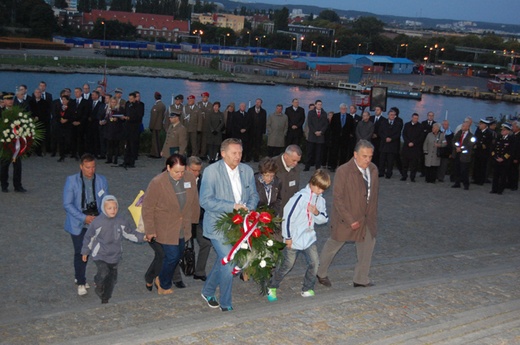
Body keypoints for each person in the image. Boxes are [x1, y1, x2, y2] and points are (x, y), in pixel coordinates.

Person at [199, 138, 259, 311]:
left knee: (224, 259)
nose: (238, 156)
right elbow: (205, 201)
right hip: (218, 226)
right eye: (234, 153)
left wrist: (249, 208)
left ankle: (208, 290)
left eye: (240, 152)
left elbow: (254, 194)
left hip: (240, 226)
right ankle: (226, 304)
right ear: (223, 153)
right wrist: (232, 207)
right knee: (229, 261)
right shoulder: (211, 172)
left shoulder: (246, 170)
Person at [317, 140, 380, 288]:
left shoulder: (373, 169)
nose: (368, 160)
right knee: (334, 244)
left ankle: (361, 279)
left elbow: (374, 195)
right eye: (364, 156)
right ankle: (320, 272)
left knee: (367, 247)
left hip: (367, 218)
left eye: (370, 156)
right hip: (346, 219)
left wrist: (372, 216)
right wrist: (350, 219)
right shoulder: (343, 171)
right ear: (355, 155)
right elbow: (337, 198)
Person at [267, 170, 330, 302]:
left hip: (308, 238)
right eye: (318, 187)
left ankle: (307, 288)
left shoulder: (320, 200)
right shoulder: (300, 197)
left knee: (314, 263)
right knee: (287, 265)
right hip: (294, 238)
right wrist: (287, 237)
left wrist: (317, 213)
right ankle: (272, 286)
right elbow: (288, 216)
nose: (320, 191)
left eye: (323, 189)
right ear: (312, 183)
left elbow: (324, 219)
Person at [142, 154, 200, 294]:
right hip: (165, 226)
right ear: (168, 168)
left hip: (183, 226)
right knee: (172, 256)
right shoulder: (158, 182)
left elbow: (194, 200)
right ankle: (163, 283)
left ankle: (151, 276)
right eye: (176, 172)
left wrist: (194, 222)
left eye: (182, 171)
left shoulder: (189, 178)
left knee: (177, 255)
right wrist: (150, 230)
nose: (180, 175)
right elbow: (148, 207)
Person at [81, 195, 147, 303]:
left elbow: (129, 233)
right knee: (103, 272)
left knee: (112, 279)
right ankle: (98, 283)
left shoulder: (121, 221)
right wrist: (85, 251)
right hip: (100, 254)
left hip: (115, 254)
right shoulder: (97, 222)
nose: (113, 210)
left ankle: (105, 298)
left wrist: (142, 237)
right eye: (109, 208)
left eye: (115, 208)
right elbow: (89, 237)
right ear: (104, 208)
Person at [63, 154, 109, 295]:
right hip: (78, 222)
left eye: (93, 167)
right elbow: (67, 204)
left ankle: (97, 279)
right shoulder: (71, 181)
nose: (91, 170)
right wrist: (84, 218)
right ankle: (81, 281)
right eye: (88, 167)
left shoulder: (101, 180)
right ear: (81, 167)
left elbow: (106, 200)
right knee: (81, 251)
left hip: (97, 222)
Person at [1, 93, 26, 193]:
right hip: (5, 143)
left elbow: (22, 123)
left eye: (11, 99)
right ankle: (4, 185)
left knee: (17, 166)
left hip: (17, 143)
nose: (10, 101)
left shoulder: (17, 111)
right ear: (4, 101)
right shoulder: (1, 111)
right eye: (7, 100)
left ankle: (18, 186)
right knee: (4, 166)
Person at [274, 145, 302, 211]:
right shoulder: (272, 165)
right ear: (286, 156)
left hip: (288, 209)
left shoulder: (296, 169)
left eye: (298, 161)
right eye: (294, 160)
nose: (295, 163)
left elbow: (295, 190)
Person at [304, 100, 328, 171]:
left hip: (320, 136)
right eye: (318, 104)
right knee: (309, 152)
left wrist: (321, 131)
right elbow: (310, 123)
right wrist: (314, 131)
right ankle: (307, 167)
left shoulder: (324, 113)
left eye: (321, 104)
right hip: (312, 135)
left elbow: (325, 124)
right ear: (315, 105)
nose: (320, 106)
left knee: (319, 153)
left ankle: (317, 167)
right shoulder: (311, 113)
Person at [378, 109, 403, 179]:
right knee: (382, 160)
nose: (392, 116)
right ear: (388, 115)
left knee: (390, 161)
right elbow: (380, 132)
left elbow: (398, 134)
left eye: (393, 115)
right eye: (391, 115)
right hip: (384, 143)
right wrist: (385, 138)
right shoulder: (383, 122)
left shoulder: (398, 124)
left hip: (392, 145)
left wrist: (391, 138)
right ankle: (381, 172)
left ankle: (389, 173)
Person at [490, 123, 513, 195]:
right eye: (502, 130)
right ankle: (494, 189)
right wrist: (495, 157)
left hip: (504, 160)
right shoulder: (498, 138)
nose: (502, 131)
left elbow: (511, 150)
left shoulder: (510, 139)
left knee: (502, 176)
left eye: (504, 130)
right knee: (495, 175)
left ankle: (500, 190)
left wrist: (503, 158)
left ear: (508, 131)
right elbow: (493, 148)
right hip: (497, 159)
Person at [400, 113, 423, 182]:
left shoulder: (420, 126)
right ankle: (404, 176)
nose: (415, 119)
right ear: (412, 118)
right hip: (407, 147)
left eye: (417, 118)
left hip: (415, 148)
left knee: (414, 164)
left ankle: (412, 177)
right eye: (414, 118)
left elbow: (421, 137)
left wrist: (413, 143)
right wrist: (408, 142)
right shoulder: (407, 125)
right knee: (405, 163)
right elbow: (404, 134)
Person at [451, 122, 475, 190]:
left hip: (465, 155)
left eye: (464, 126)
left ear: (468, 127)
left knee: (464, 170)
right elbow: (453, 140)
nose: (462, 127)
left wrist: (461, 148)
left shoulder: (471, 136)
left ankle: (466, 184)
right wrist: (456, 147)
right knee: (457, 169)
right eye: (462, 126)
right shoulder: (459, 133)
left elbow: (470, 145)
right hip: (457, 154)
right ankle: (457, 183)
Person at [328, 103, 350, 172]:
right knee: (334, 152)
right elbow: (331, 126)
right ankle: (333, 166)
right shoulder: (335, 116)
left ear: (346, 109)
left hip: (345, 138)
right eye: (342, 108)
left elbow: (351, 128)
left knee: (343, 153)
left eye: (345, 108)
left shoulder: (350, 117)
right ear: (340, 109)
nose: (343, 110)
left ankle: (342, 167)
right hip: (336, 138)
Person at [103, 97, 124, 165]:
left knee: (116, 145)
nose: (113, 104)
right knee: (109, 145)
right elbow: (106, 117)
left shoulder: (119, 109)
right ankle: (109, 158)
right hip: (109, 129)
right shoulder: (108, 109)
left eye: (114, 102)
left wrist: (118, 119)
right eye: (112, 102)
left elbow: (122, 118)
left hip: (117, 129)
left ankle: (115, 159)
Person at [472, 119, 493, 185]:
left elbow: (487, 144)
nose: (479, 125)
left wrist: (480, 144)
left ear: (485, 125)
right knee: (476, 165)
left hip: (484, 153)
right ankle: (475, 179)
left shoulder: (488, 133)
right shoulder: (478, 131)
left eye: (481, 124)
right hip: (477, 151)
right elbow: (475, 139)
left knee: (482, 166)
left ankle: (481, 180)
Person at [148, 91, 166, 158]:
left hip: (155, 126)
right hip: (159, 125)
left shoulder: (157, 106)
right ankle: (156, 152)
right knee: (157, 140)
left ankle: (156, 153)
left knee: (155, 140)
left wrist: (151, 126)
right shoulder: (163, 105)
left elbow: (153, 118)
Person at [197, 92, 212, 159]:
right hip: (199, 126)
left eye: (205, 97)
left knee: (204, 141)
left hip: (207, 126)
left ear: (207, 97)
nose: (203, 98)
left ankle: (203, 154)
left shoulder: (210, 105)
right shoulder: (198, 104)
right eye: (202, 97)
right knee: (197, 140)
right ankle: (197, 153)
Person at [509, 121, 520, 191]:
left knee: (515, 171)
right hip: (511, 155)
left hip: (516, 156)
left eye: (513, 126)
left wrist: (517, 158)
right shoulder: (513, 135)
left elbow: (519, 148)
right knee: (510, 170)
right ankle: (509, 183)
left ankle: (514, 185)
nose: (512, 128)